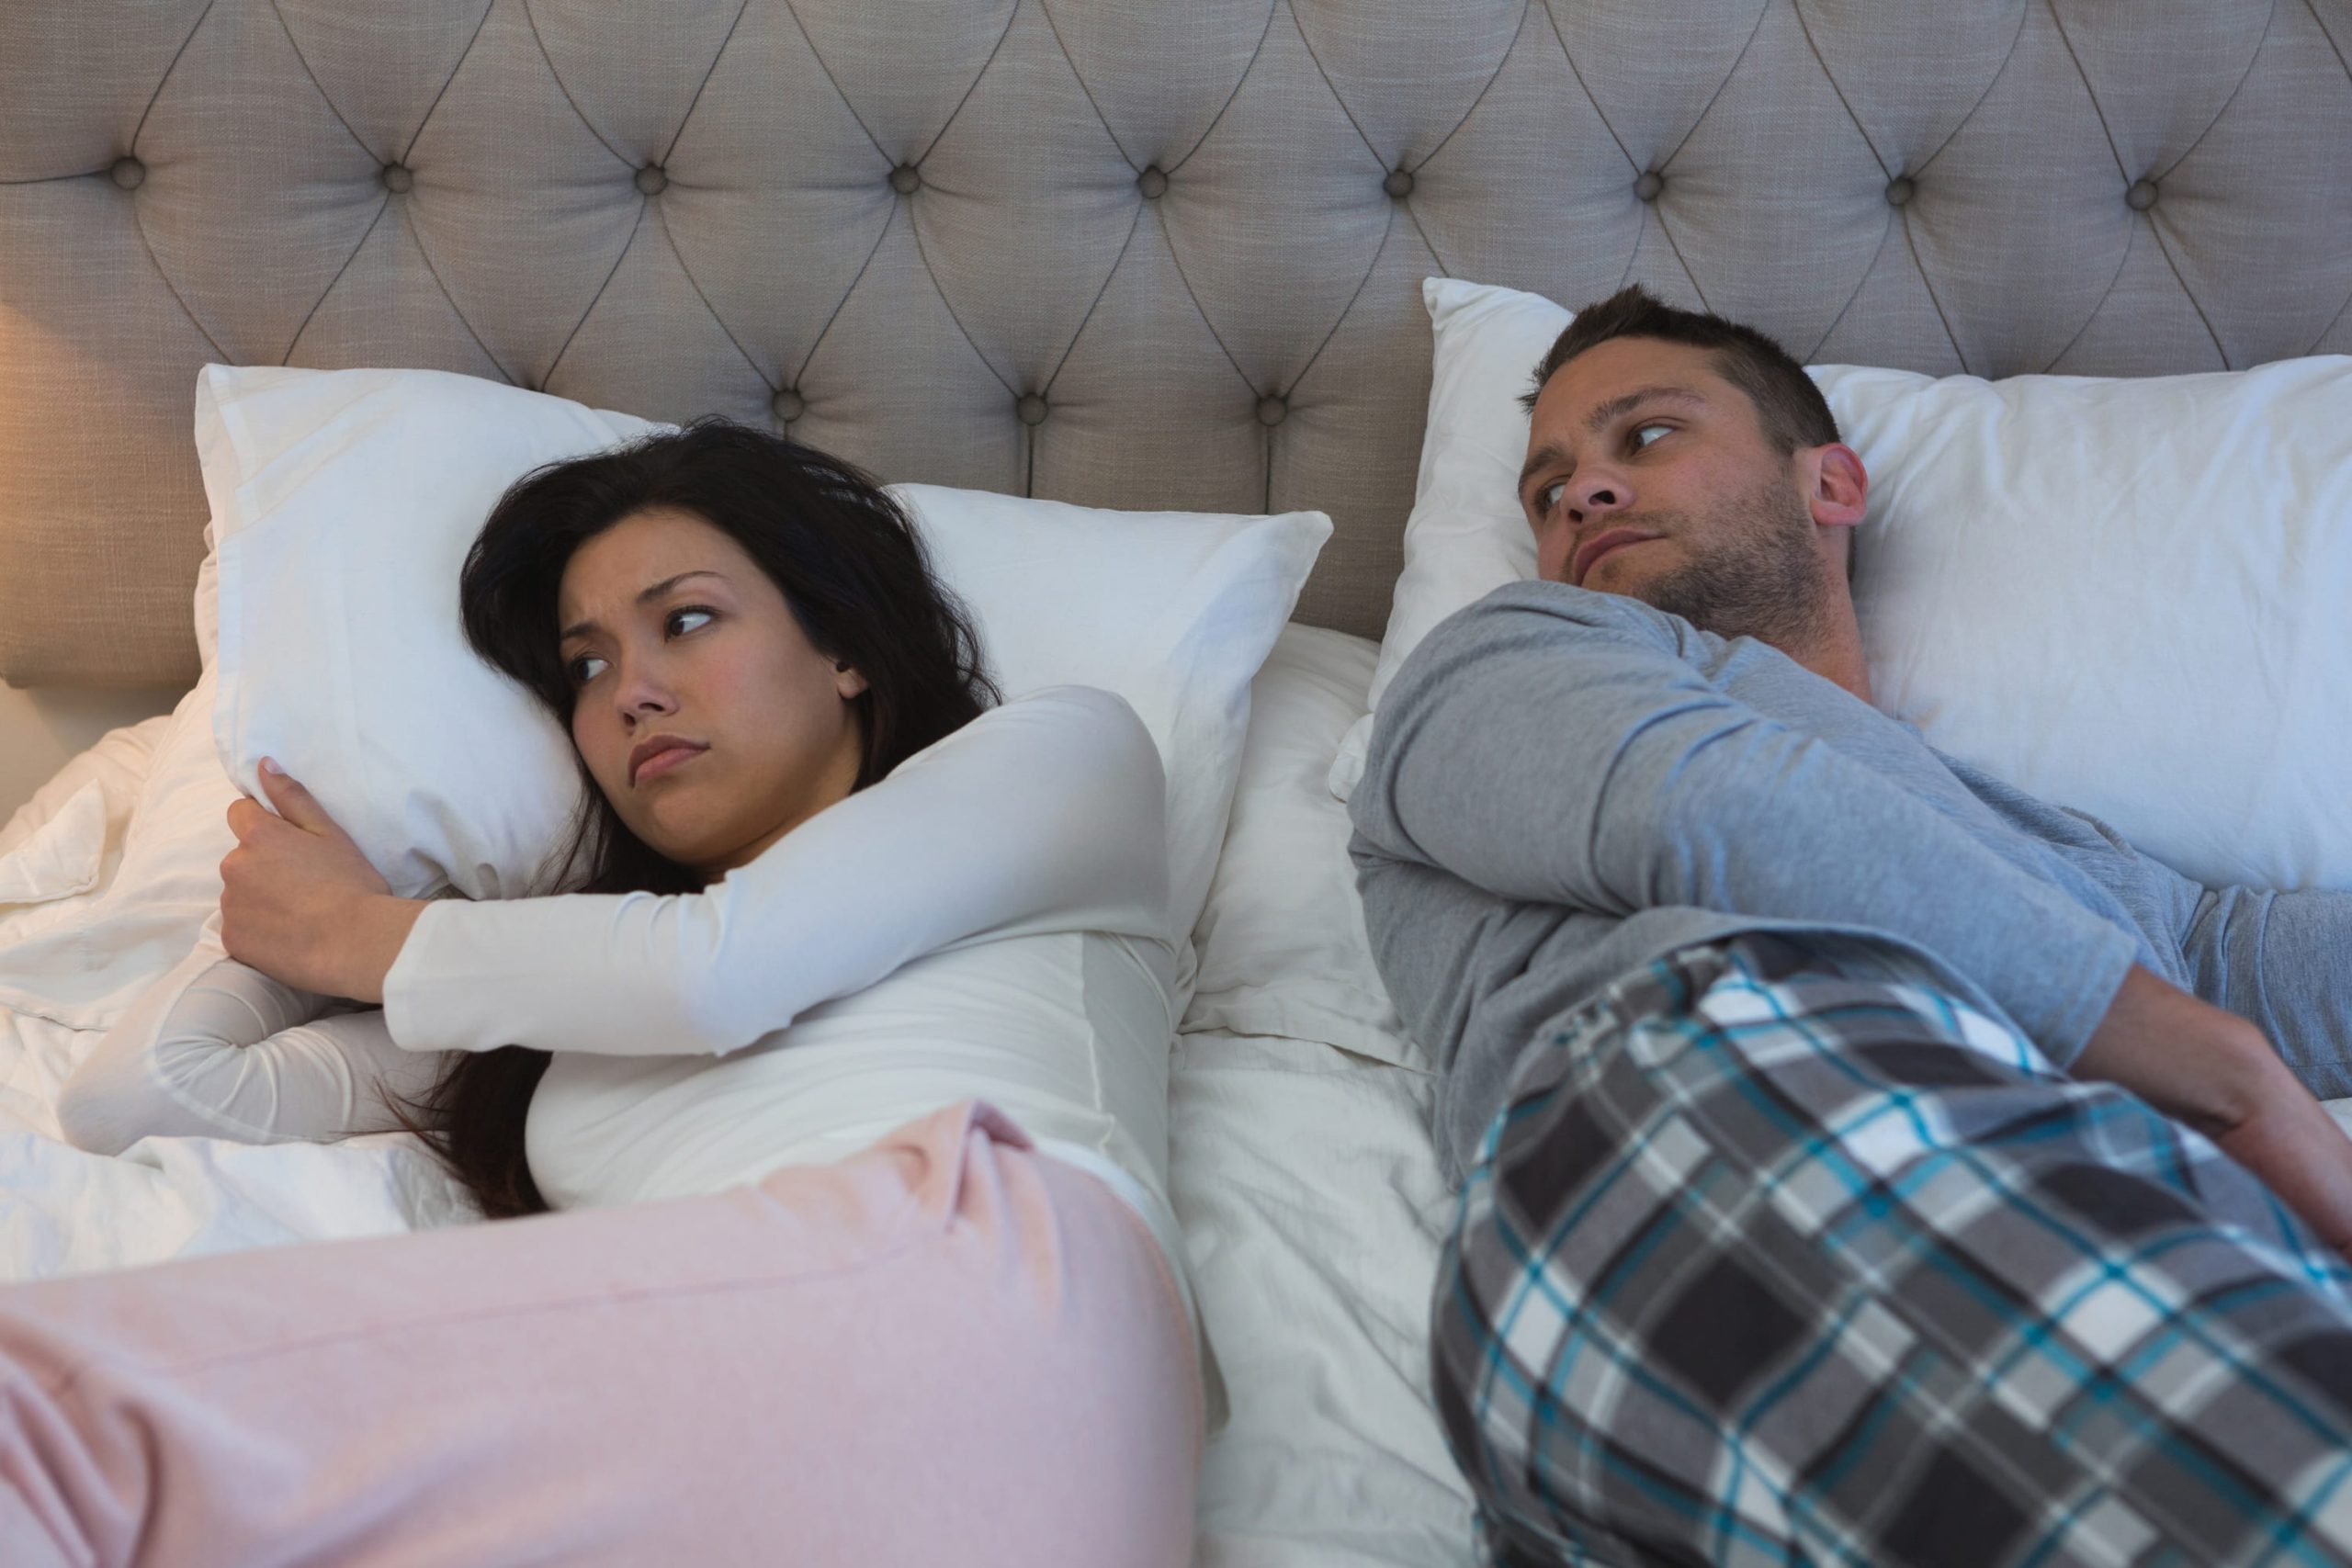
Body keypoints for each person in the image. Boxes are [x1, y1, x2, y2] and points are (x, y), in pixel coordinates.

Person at [9, 420, 1204, 1566]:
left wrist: (365, 932)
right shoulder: (555, 1010)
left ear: (844, 649)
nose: (630, 691)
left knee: (46, 1423)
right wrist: (300, 911)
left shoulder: (1061, 759)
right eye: (587, 666)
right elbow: (150, 1092)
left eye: (686, 621)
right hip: (773, 1442)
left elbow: (716, 974)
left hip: (982, 1294)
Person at [1348, 286, 2352, 1567]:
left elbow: (2234, 957)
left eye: (1642, 438)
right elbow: (1704, 811)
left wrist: (2210, 1036)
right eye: (1548, 490)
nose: (1582, 495)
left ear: (1831, 484)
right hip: (1702, 1098)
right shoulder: (1509, 658)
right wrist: (2229, 1078)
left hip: (2005, 1193)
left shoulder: (2045, 845)